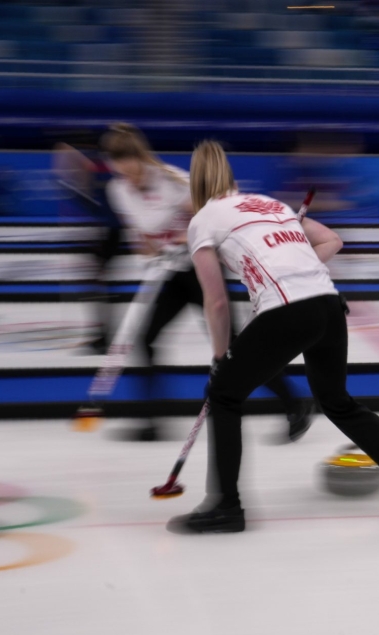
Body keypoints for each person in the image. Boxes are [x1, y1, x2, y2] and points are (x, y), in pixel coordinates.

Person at [171, 140, 379, 534]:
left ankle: (226, 507)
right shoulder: (271, 204)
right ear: (230, 177)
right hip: (329, 307)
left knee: (224, 395)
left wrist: (219, 357)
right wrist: (295, 269)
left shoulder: (203, 221)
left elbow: (214, 301)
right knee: (338, 402)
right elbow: (332, 240)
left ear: (194, 183)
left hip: (288, 311)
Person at [101, 124, 308, 442]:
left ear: (141, 157)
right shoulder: (117, 191)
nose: (127, 171)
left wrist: (189, 227)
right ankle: (154, 421)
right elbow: (142, 239)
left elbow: (227, 198)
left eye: (130, 162)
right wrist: (155, 245)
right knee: (146, 338)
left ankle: (295, 405)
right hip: (171, 275)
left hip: (202, 271)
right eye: (118, 163)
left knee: (234, 347)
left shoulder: (171, 179)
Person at [52, 129, 124, 354]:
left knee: (98, 285)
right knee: (98, 285)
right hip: (109, 231)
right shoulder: (103, 168)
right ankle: (104, 335)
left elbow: (75, 160)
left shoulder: (100, 168)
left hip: (109, 232)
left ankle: (105, 337)